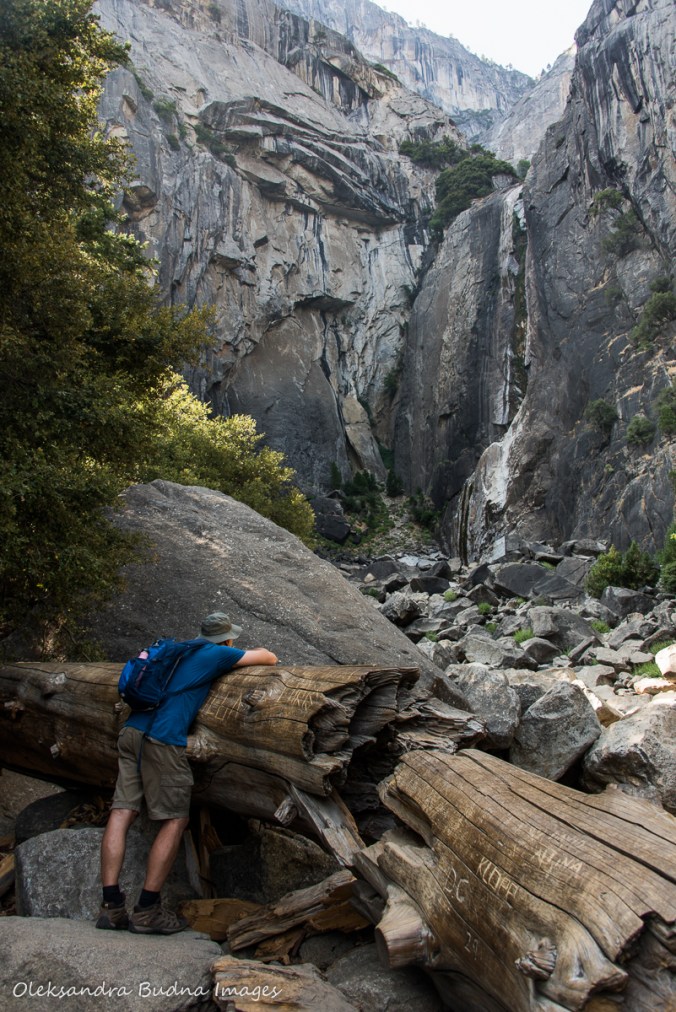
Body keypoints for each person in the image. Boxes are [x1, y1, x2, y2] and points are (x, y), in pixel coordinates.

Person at [96, 612, 278, 934]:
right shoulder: (218, 653)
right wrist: (240, 651)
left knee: (122, 811)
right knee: (175, 819)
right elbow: (268, 658)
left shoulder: (181, 649)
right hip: (163, 740)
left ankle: (110, 907)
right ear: (227, 639)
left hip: (132, 732)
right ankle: (147, 910)